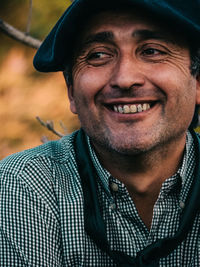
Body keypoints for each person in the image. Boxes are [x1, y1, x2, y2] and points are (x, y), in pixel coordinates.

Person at [1, 0, 200, 266]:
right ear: (71, 90)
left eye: (152, 51)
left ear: (197, 82)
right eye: (98, 55)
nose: (125, 78)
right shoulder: (24, 186)